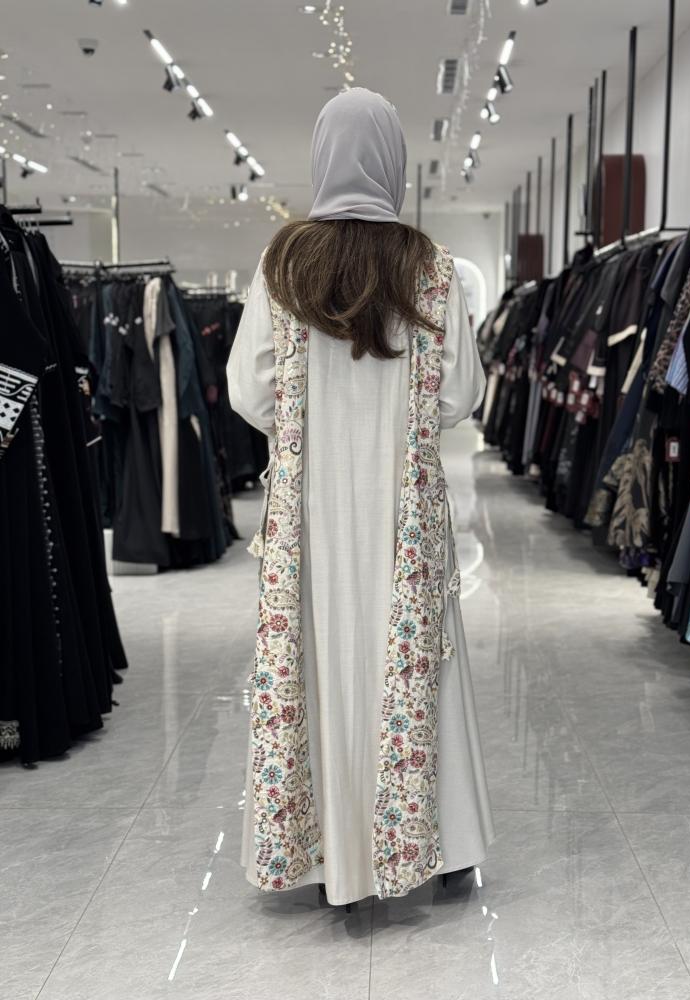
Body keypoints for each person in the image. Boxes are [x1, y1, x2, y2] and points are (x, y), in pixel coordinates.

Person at [227, 87, 494, 908]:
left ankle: (323, 858)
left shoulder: (283, 265)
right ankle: (438, 846)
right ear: (393, 163)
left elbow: (248, 389)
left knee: (312, 667)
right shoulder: (432, 267)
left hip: (310, 512)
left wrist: (303, 425)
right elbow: (462, 393)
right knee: (418, 668)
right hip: (403, 513)